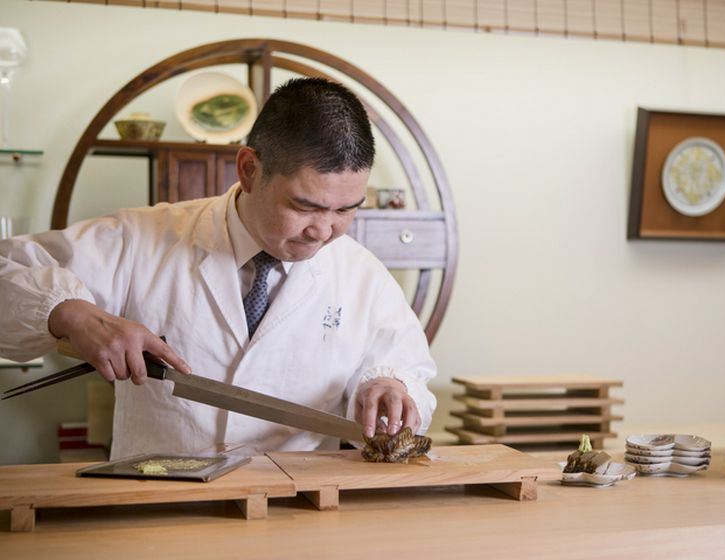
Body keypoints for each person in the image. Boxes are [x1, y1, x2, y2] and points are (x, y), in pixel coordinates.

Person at [0, 78, 437, 458]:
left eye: (346, 209)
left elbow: (407, 369)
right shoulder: (141, 238)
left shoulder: (362, 274)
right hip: (156, 512)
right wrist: (71, 313)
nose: (323, 231)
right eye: (305, 206)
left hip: (296, 514)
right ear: (248, 170)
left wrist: (392, 391)